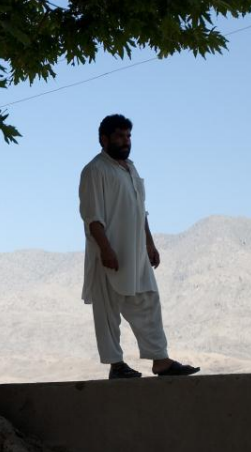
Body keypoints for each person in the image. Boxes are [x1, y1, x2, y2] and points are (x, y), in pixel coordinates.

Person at [78, 114, 199, 379]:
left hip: (136, 253)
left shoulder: (131, 168)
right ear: (104, 139)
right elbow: (92, 217)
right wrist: (106, 250)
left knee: (148, 301)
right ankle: (116, 365)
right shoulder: (95, 170)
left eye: (128, 136)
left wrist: (149, 242)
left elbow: (139, 210)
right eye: (120, 136)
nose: (126, 141)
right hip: (108, 254)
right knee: (108, 310)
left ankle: (161, 361)